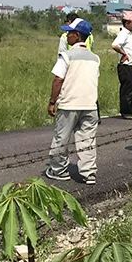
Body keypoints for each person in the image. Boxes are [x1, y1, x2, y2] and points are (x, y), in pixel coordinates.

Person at [45, 18, 100, 185]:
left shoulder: (67, 56)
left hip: (69, 104)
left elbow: (57, 80)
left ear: (77, 35)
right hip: (90, 104)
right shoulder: (95, 58)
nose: (67, 36)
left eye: (69, 33)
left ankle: (58, 170)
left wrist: (52, 101)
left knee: (61, 137)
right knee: (87, 139)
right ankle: (88, 172)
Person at [111, 11, 132, 119]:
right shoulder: (123, 33)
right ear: (127, 23)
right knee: (127, 90)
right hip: (126, 66)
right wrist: (123, 53)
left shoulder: (128, 34)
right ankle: (126, 111)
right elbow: (115, 45)